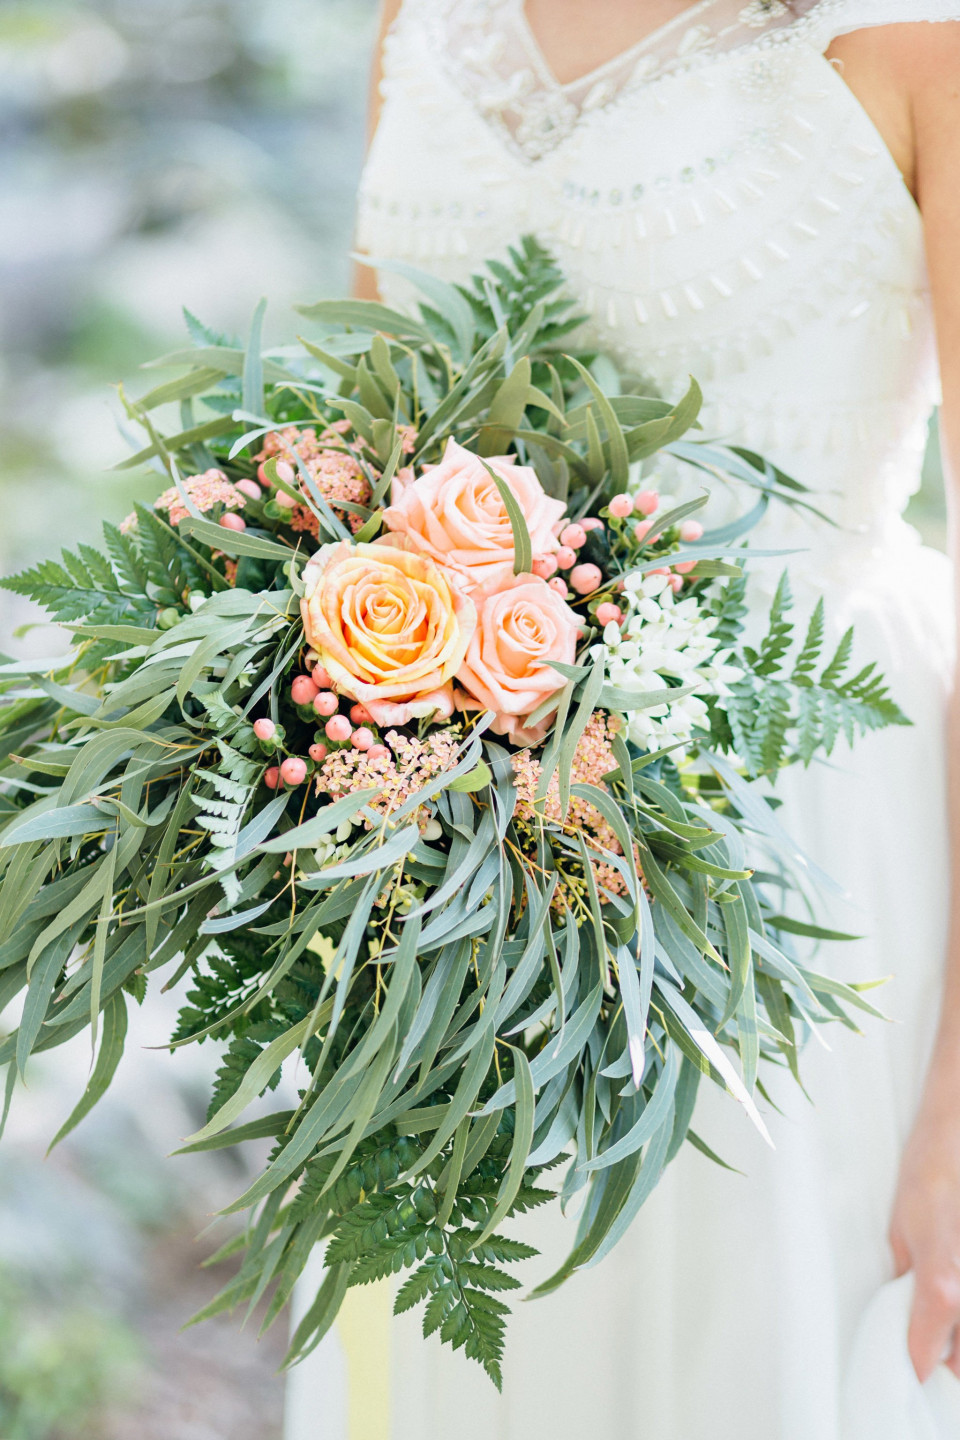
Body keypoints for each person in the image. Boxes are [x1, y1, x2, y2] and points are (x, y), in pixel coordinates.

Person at [286, 3, 960, 1435]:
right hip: (453, 851)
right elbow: (364, 469)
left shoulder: (918, 45)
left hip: (797, 843)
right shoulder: (425, 19)